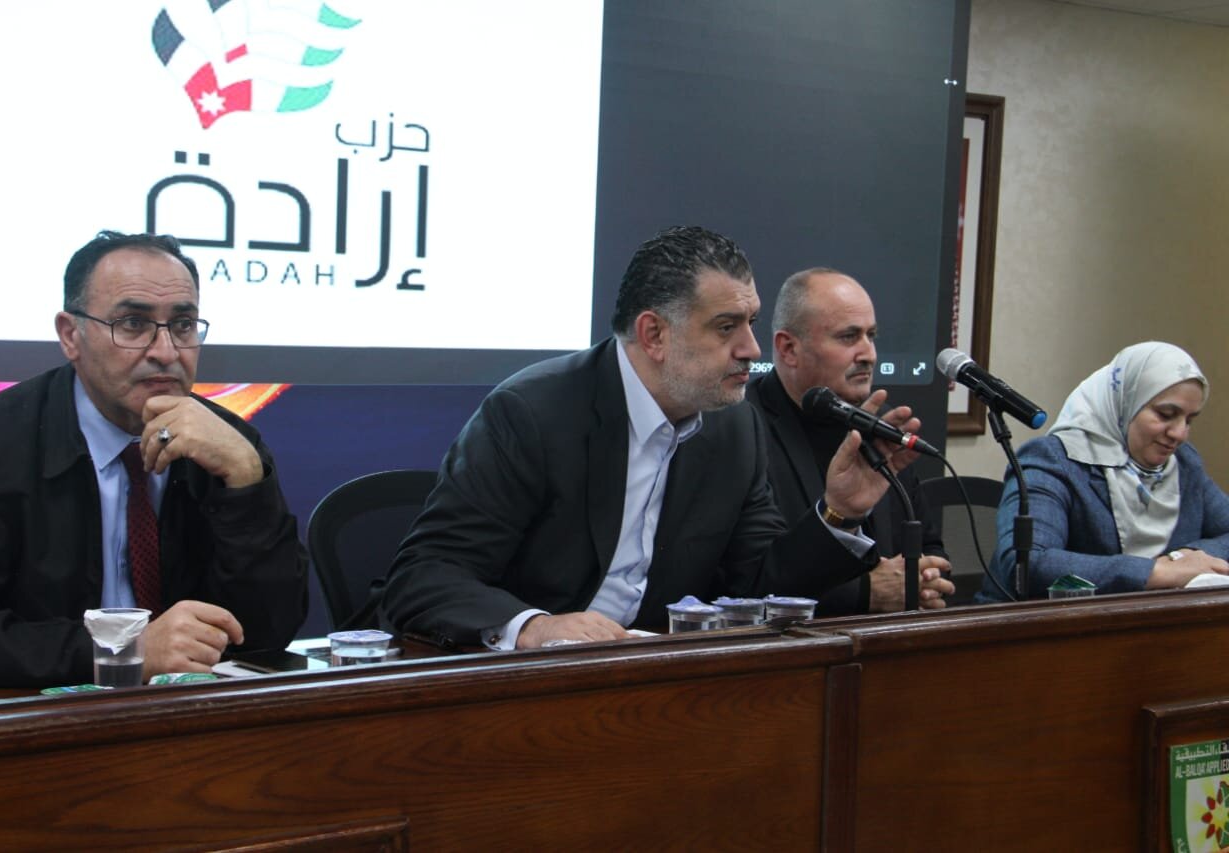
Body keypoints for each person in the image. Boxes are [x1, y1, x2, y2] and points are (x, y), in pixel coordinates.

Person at [370, 226, 922, 650]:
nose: (752, 350)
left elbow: (756, 583)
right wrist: (534, 626)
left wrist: (839, 513)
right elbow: (424, 575)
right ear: (654, 334)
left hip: (651, 679)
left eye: (751, 323)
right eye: (726, 327)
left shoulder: (734, 427)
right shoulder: (534, 413)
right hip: (527, 683)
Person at [0, 231, 308, 687]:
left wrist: (246, 483)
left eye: (183, 325)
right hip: (41, 713)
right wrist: (123, 650)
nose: (166, 352)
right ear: (71, 336)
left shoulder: (230, 444)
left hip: (189, 712)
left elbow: (267, 634)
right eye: (133, 324)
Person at [746, 268, 953, 615]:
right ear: (788, 348)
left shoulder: (882, 425)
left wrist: (926, 580)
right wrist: (863, 594)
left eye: (871, 336)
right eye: (848, 337)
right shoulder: (743, 430)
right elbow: (745, 582)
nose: (869, 354)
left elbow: (927, 544)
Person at [976, 341, 1229, 602]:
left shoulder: (1183, 462)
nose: (1179, 434)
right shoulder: (1053, 459)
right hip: (1042, 622)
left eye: (1189, 420)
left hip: (1154, 619)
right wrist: (1156, 572)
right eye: (1166, 414)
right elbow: (1028, 564)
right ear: (1124, 403)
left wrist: (1181, 558)